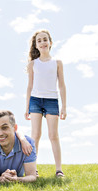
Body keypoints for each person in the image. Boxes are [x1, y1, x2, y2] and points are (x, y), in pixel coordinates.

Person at [24, 29, 67, 178]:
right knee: (35, 135)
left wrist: (64, 107)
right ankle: (32, 169)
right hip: (35, 100)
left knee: (53, 135)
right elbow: (29, 86)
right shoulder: (32, 64)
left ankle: (59, 169)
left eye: (45, 39)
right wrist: (27, 106)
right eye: (39, 40)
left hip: (51, 101)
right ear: (36, 45)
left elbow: (61, 85)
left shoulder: (57, 63)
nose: (42, 42)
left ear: (50, 42)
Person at [0, 110, 37, 183]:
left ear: (15, 128)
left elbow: (32, 176)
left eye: (4, 128)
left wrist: (17, 180)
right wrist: (1, 179)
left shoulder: (28, 144)